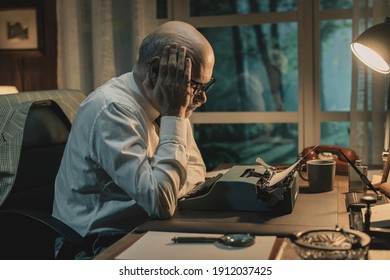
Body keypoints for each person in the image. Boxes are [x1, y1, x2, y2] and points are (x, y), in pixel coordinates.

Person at [52, 21, 215, 258]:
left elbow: (196, 173)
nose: (201, 98)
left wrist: (166, 189)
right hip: (97, 247)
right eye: (195, 85)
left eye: (206, 85)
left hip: (146, 230)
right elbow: (161, 204)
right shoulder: (112, 109)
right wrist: (173, 114)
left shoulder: (170, 100)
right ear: (157, 70)